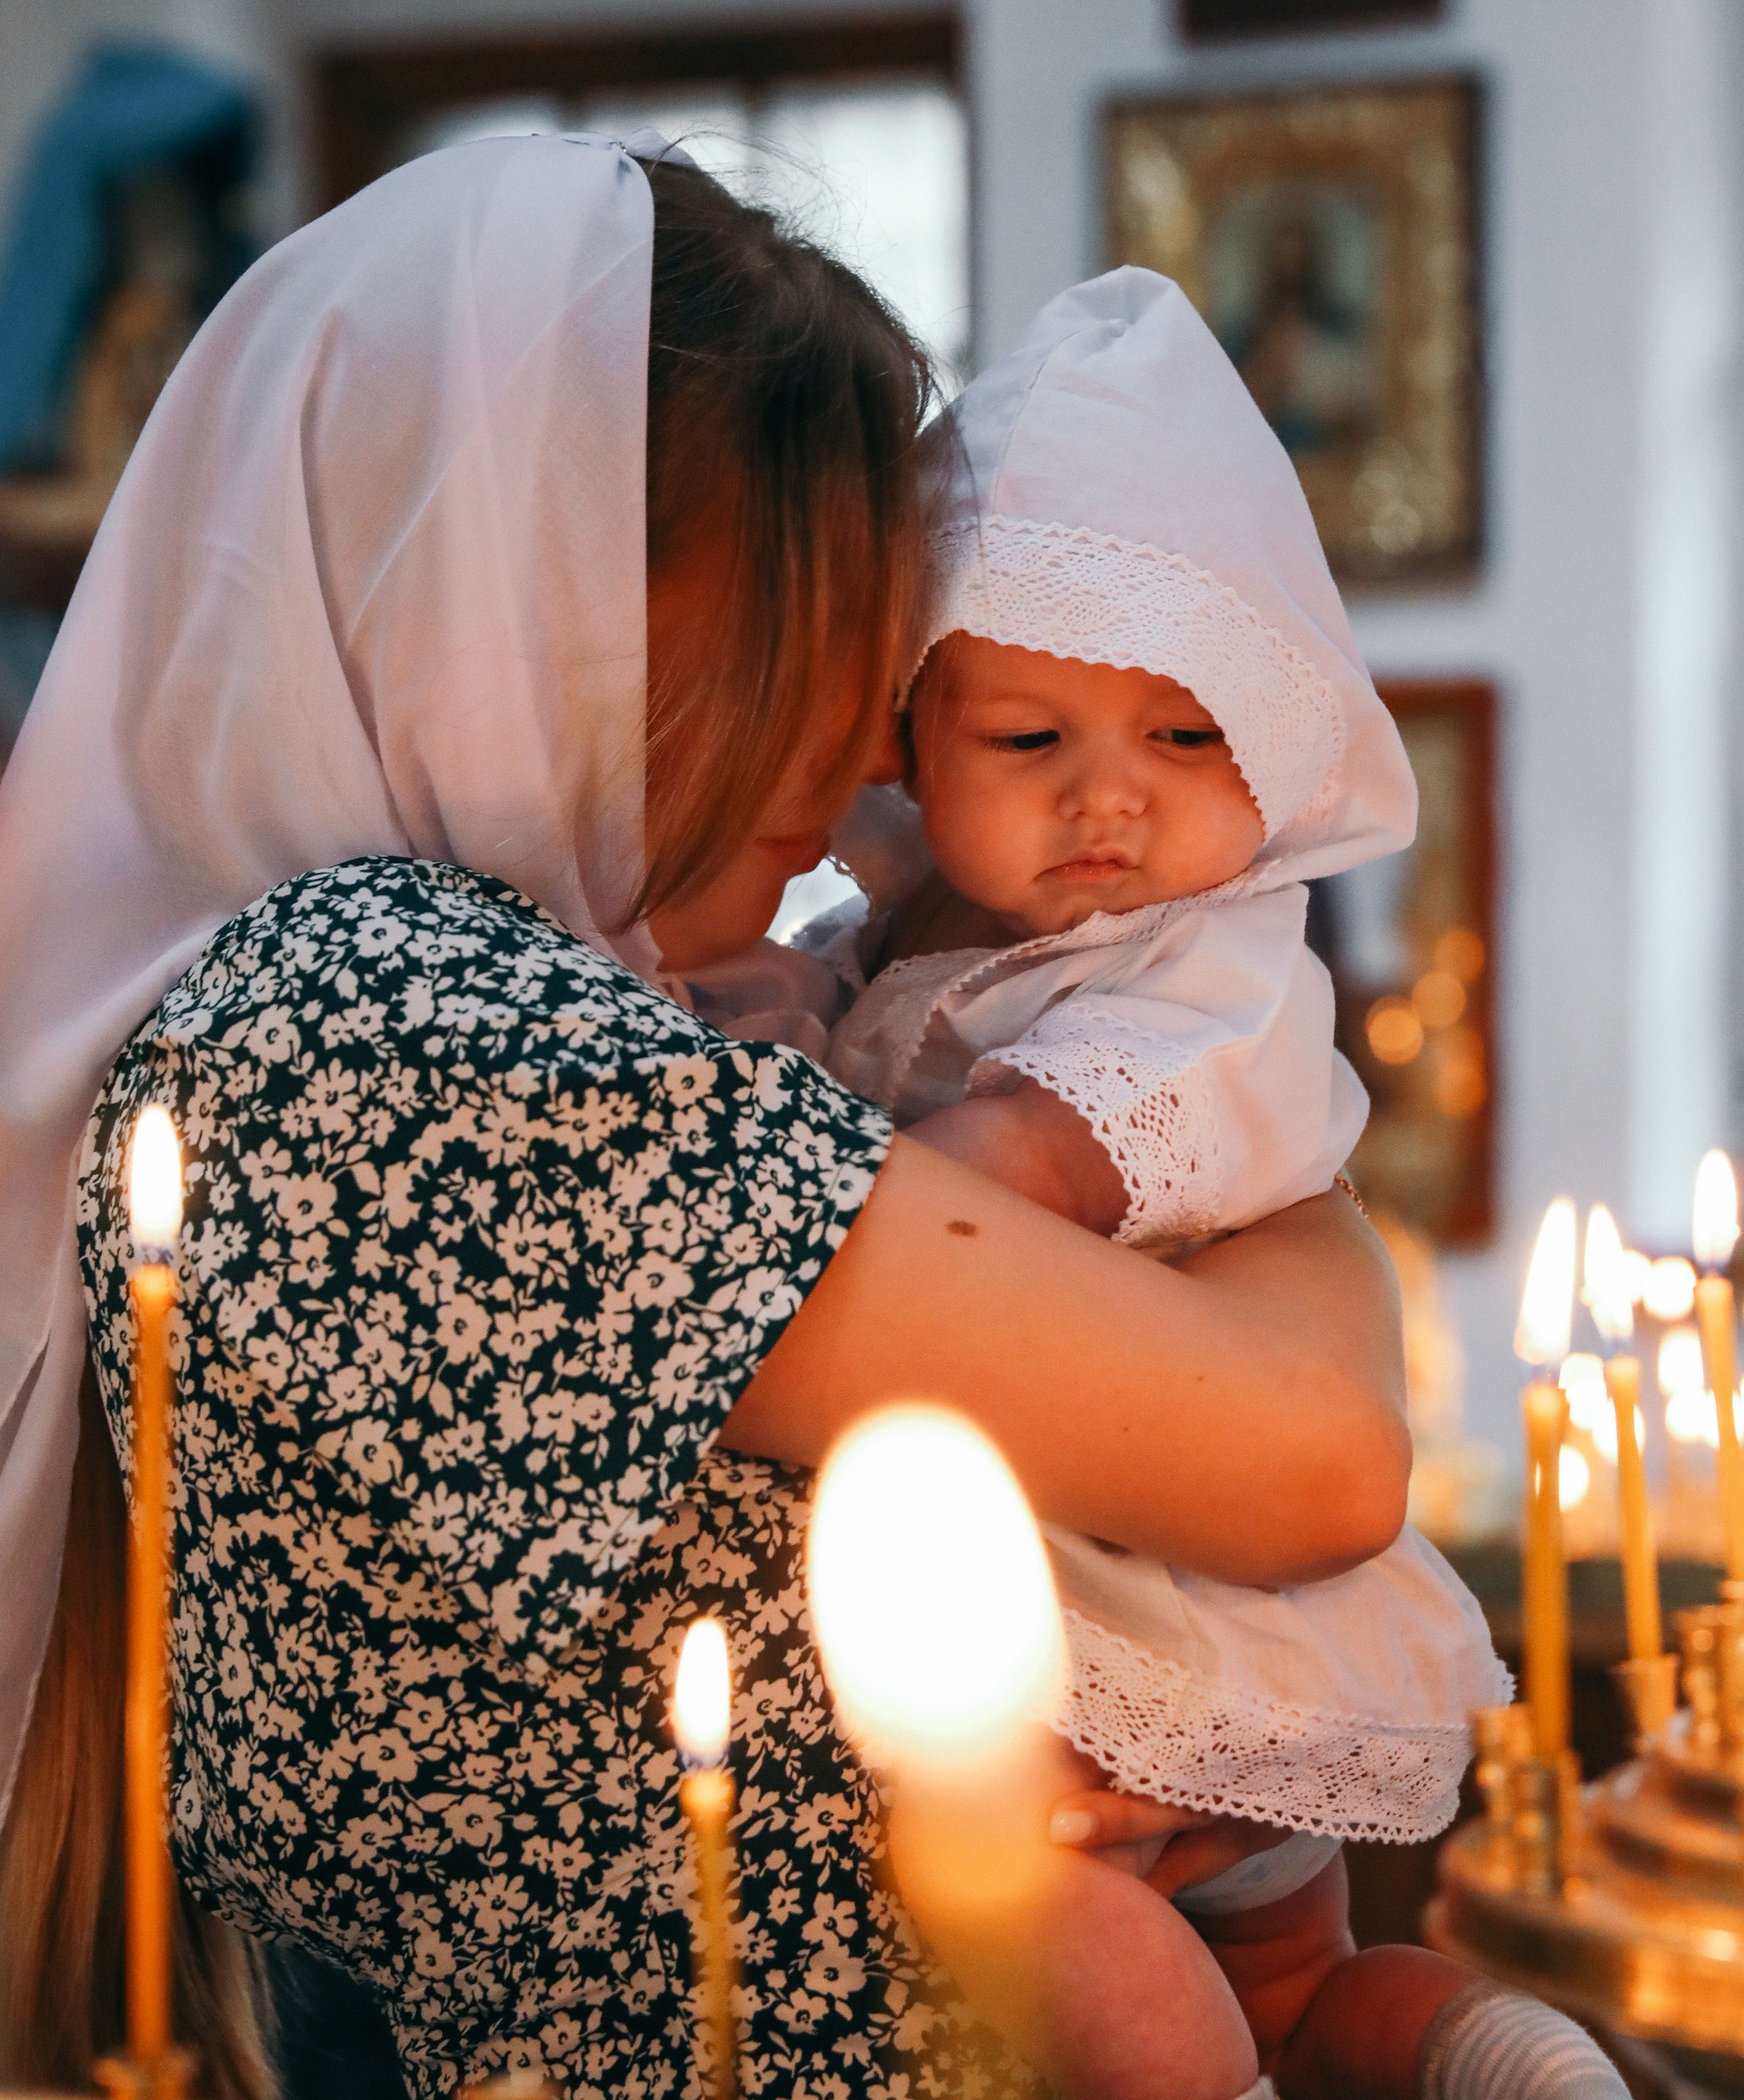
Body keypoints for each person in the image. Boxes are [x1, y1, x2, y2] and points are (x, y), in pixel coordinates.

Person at [0, 135, 1418, 2100]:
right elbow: (1319, 1452)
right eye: (801, 624)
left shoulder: (580, 1003)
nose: (857, 744)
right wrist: (1253, 1186)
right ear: (511, 576)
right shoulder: (381, 1030)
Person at [688, 272, 1621, 2100]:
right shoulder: (884, 940)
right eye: (1031, 742)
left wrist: (764, 1160)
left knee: (1076, 1926)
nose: (1110, 803)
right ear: (908, 738)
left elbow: (989, 1178)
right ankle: (1462, 2053)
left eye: (1185, 739)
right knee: (1292, 1975)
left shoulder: (1207, 970)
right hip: (1179, 1603)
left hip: (1146, 1620)